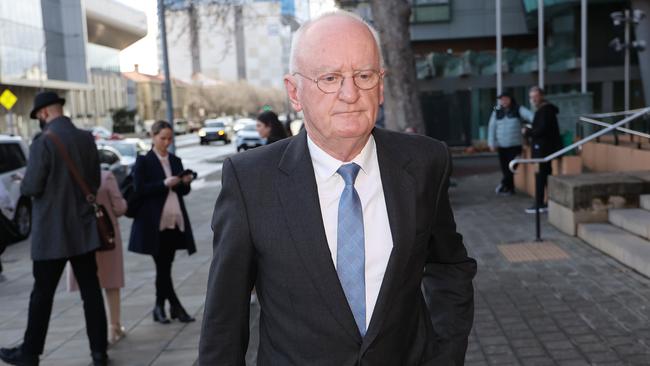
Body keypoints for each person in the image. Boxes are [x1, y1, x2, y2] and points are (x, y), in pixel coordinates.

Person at [199, 11, 477, 366]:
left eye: (364, 75)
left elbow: (450, 265)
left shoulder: (425, 163)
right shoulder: (250, 181)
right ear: (294, 92)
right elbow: (225, 321)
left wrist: (446, 355)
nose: (350, 94)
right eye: (329, 78)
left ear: (381, 84)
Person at [0, 92, 109, 366]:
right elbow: (94, 182)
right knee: (91, 292)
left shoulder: (43, 142)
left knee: (42, 295)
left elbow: (32, 187)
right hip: (84, 230)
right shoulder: (86, 138)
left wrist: (24, 182)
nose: (39, 120)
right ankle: (99, 352)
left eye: (38, 116)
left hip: (52, 234)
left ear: (45, 113)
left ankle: (30, 354)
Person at [128, 120, 197, 325]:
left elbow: (183, 192)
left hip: (175, 220)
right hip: (153, 223)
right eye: (162, 138)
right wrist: (163, 184)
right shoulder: (143, 161)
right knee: (162, 265)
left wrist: (185, 183)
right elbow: (140, 189)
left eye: (169, 138)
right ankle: (176, 307)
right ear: (153, 136)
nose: (166, 142)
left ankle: (160, 308)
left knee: (165, 266)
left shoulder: (175, 160)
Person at [67, 170, 127, 344]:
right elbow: (119, 208)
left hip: (81, 238)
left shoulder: (69, 176)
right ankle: (113, 326)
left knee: (89, 287)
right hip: (106, 235)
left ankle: (97, 331)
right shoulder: (106, 176)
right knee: (112, 283)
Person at [523, 86, 562, 213]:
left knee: (541, 176)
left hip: (543, 149)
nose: (533, 99)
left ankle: (540, 203)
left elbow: (541, 130)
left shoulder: (545, 110)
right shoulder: (544, 109)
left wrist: (527, 131)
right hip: (544, 148)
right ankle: (546, 202)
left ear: (541, 96)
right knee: (544, 176)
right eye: (531, 97)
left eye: (535, 96)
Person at [487, 92, 533, 195]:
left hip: (515, 145)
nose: (503, 101)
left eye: (505, 99)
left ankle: (504, 183)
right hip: (501, 145)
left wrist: (529, 128)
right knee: (504, 167)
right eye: (501, 99)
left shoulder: (519, 108)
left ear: (510, 99)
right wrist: (491, 142)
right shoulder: (496, 109)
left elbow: (532, 117)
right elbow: (491, 126)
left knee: (512, 166)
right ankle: (510, 188)